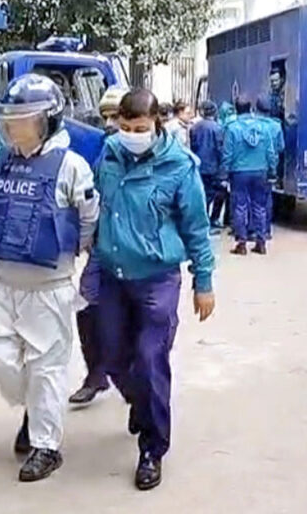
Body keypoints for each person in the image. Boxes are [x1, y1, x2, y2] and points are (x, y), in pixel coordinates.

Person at [95, 88, 215, 491]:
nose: (131, 135)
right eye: (125, 127)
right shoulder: (109, 154)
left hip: (157, 280)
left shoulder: (179, 166)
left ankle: (152, 449)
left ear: (156, 124)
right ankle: (140, 401)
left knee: (150, 359)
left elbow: (196, 228)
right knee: (112, 358)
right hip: (112, 275)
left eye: (140, 128)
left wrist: (203, 282)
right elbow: (95, 202)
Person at [0, 74, 99, 482]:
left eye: (25, 120)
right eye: (10, 120)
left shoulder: (71, 166)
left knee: (46, 367)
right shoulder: (3, 159)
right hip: (4, 283)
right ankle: (34, 409)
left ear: (47, 120)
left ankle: (46, 446)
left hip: (49, 287)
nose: (15, 128)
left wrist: (74, 255)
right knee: (0, 359)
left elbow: (88, 219)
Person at [68, 86, 125, 407]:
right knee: (86, 308)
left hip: (139, 254)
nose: (110, 123)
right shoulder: (101, 150)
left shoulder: (159, 155)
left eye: (116, 116)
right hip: (102, 249)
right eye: (106, 117)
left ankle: (137, 386)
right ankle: (96, 374)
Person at [222, 95, 277, 255]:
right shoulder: (264, 128)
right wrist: (272, 171)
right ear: (251, 109)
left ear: (236, 109)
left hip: (239, 172)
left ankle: (241, 243)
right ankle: (261, 242)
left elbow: (227, 154)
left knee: (240, 206)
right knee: (259, 206)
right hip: (261, 170)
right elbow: (270, 152)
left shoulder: (232, 128)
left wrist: (224, 174)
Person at [189, 101, 226, 233]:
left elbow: (192, 146)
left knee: (202, 195)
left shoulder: (194, 127)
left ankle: (202, 222)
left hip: (199, 166)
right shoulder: (218, 128)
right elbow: (220, 150)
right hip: (213, 167)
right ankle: (209, 223)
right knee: (214, 195)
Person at [255, 95, 284, 237]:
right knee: (266, 198)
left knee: (251, 199)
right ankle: (266, 230)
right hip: (269, 166)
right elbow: (281, 147)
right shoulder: (276, 126)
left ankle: (252, 230)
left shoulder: (253, 124)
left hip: (254, 165)